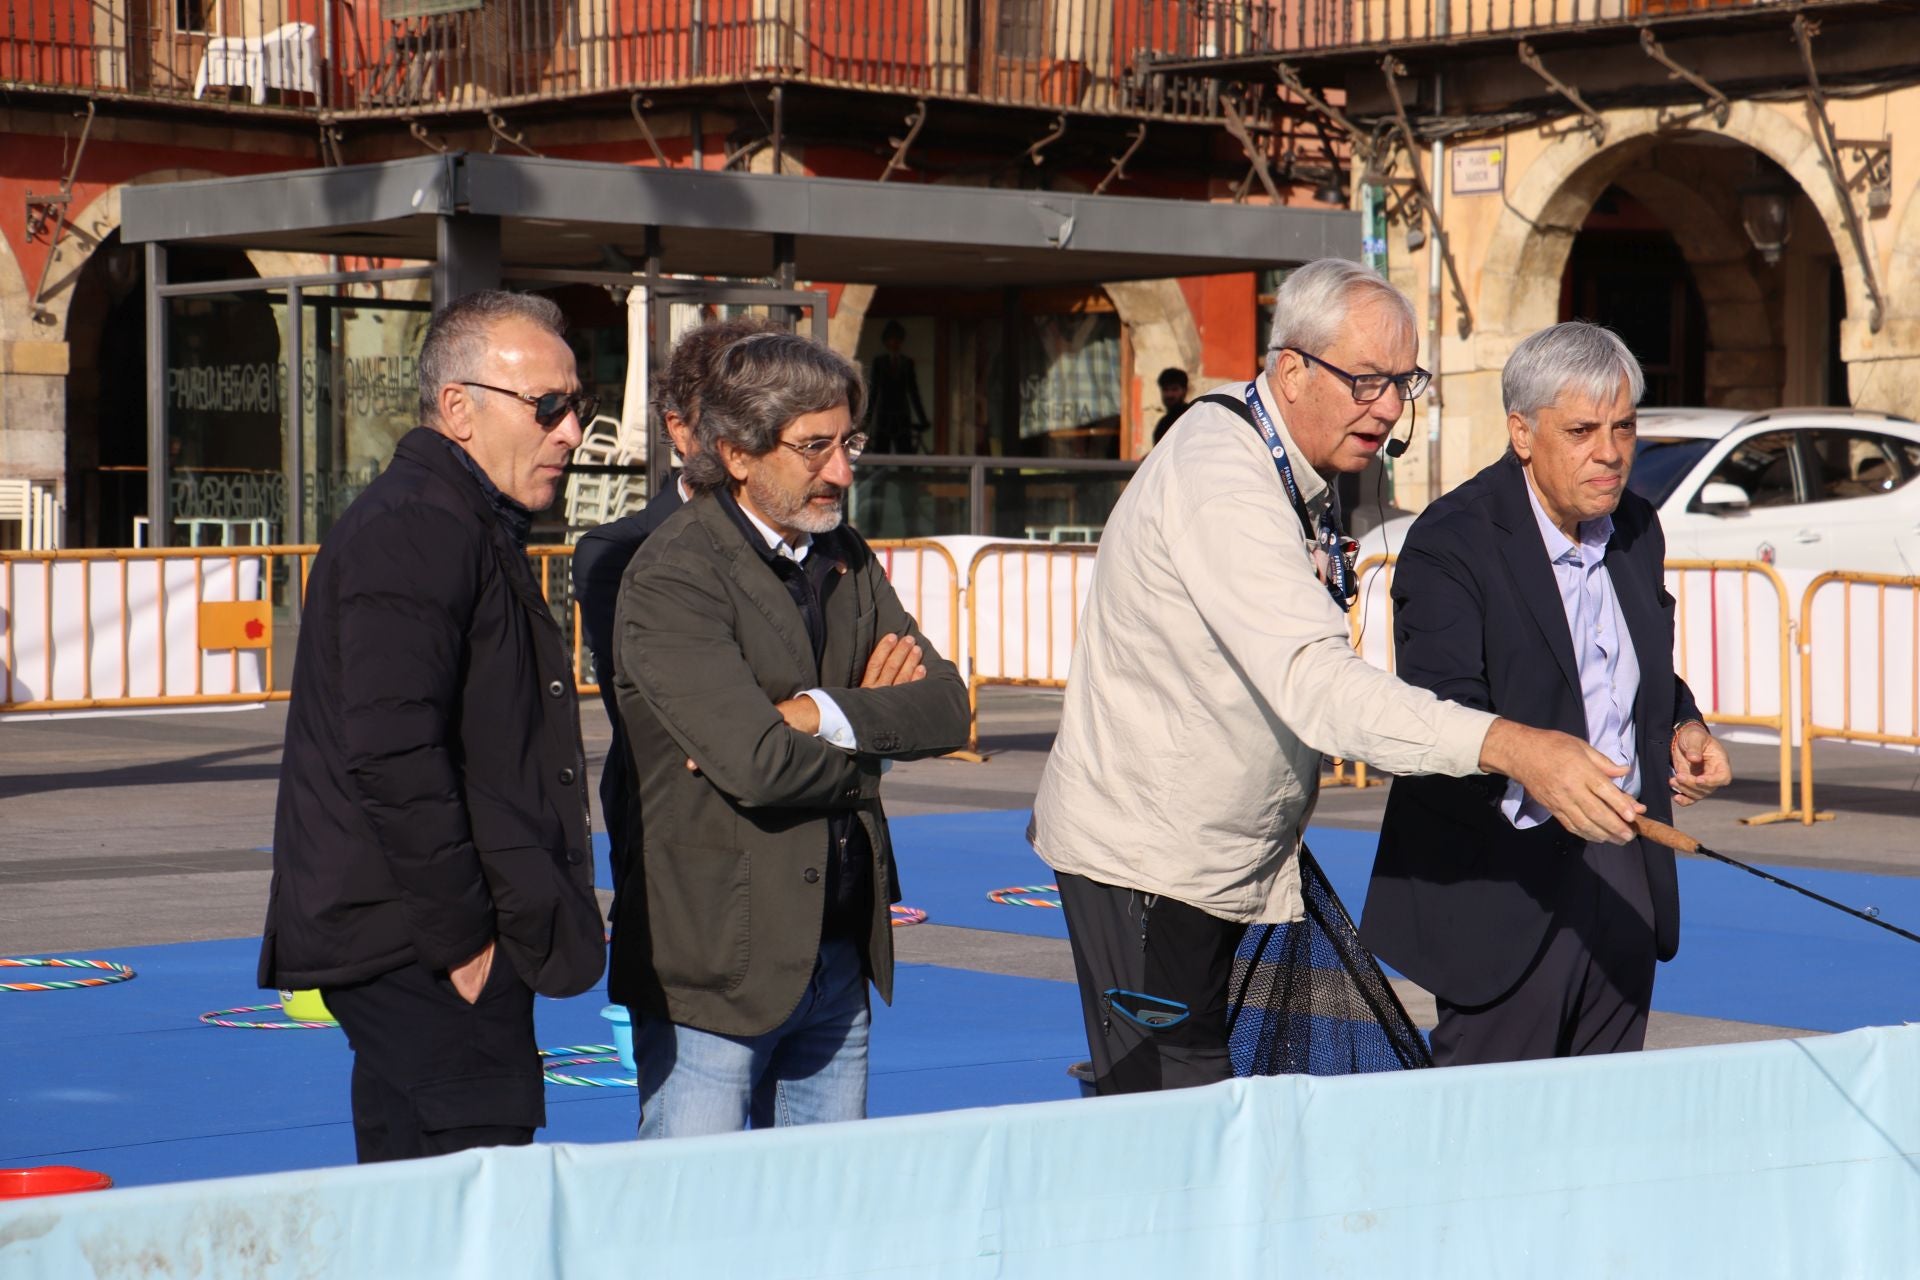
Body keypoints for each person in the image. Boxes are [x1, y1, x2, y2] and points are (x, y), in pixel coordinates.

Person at [1028, 259, 1649, 1097]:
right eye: (1366, 381)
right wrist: (1512, 746)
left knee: (1218, 1102)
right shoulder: (1223, 475)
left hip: (1230, 858)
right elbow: (1318, 687)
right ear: (1291, 370)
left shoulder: (1287, 463)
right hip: (1151, 865)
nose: (1389, 407)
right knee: (1169, 1115)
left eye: (1403, 381)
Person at [260, 290, 607, 1162]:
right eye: (549, 408)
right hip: (422, 943)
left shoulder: (462, 519)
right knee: (469, 1189)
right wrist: (463, 944)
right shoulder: (420, 523)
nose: (571, 433)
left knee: (416, 1191)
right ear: (459, 408)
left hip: (430, 934)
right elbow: (393, 752)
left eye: (579, 408)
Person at [610, 331, 970, 1137]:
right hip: (714, 963)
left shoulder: (843, 554)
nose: (841, 470)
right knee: (691, 1229)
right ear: (736, 455)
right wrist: (872, 731)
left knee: (824, 1222)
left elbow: (947, 706)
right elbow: (759, 764)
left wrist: (818, 712)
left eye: (849, 443)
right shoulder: (675, 575)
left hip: (837, 954)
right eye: (814, 448)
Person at [1361, 322, 1732, 1065]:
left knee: (1605, 1127)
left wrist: (1680, 723)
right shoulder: (1454, 539)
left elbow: (1634, 661)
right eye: (1583, 430)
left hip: (1625, 866)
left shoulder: (1635, 526)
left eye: (1624, 427)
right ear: (1522, 433)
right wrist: (1535, 765)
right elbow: (1442, 708)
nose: (1610, 452)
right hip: (1504, 882)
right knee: (1493, 1137)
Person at [573, 315, 778, 897]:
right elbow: (680, 719)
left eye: (765, 421)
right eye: (726, 421)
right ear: (679, 429)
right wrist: (825, 708)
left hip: (818, 854)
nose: (748, 442)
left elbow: (909, 705)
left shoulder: (824, 543)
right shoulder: (619, 552)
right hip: (680, 848)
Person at [864, 320, 930, 455]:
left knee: (905, 456)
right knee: (880, 456)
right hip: (884, 416)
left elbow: (913, 392)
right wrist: (867, 420)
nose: (894, 342)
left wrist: (923, 420)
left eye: (897, 339)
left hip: (902, 417)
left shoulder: (907, 363)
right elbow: (874, 391)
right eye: (891, 339)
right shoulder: (880, 362)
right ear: (886, 341)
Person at [1151, 367, 1190, 444]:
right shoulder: (1163, 423)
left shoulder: (1190, 417)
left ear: (1184, 391)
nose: (1169, 395)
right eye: (1166, 389)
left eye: (1174, 389)